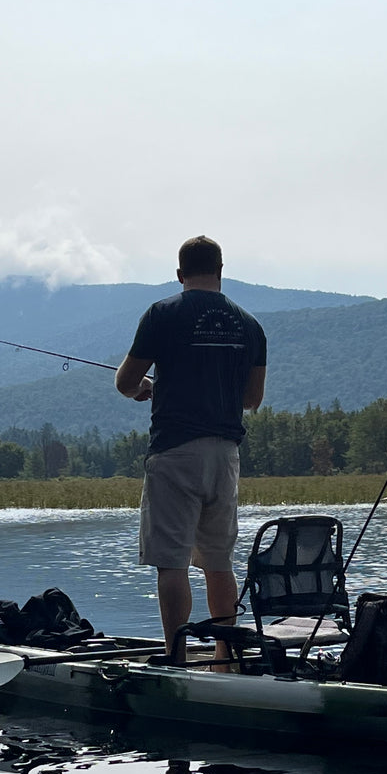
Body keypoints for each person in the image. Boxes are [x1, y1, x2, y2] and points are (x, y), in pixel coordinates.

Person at [115, 235, 267, 663]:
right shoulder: (250, 325)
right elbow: (252, 399)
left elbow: (126, 382)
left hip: (175, 452)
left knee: (173, 561)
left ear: (180, 274)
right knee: (219, 560)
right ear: (221, 271)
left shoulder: (162, 314)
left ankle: (175, 655)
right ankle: (225, 654)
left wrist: (144, 389)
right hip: (226, 455)